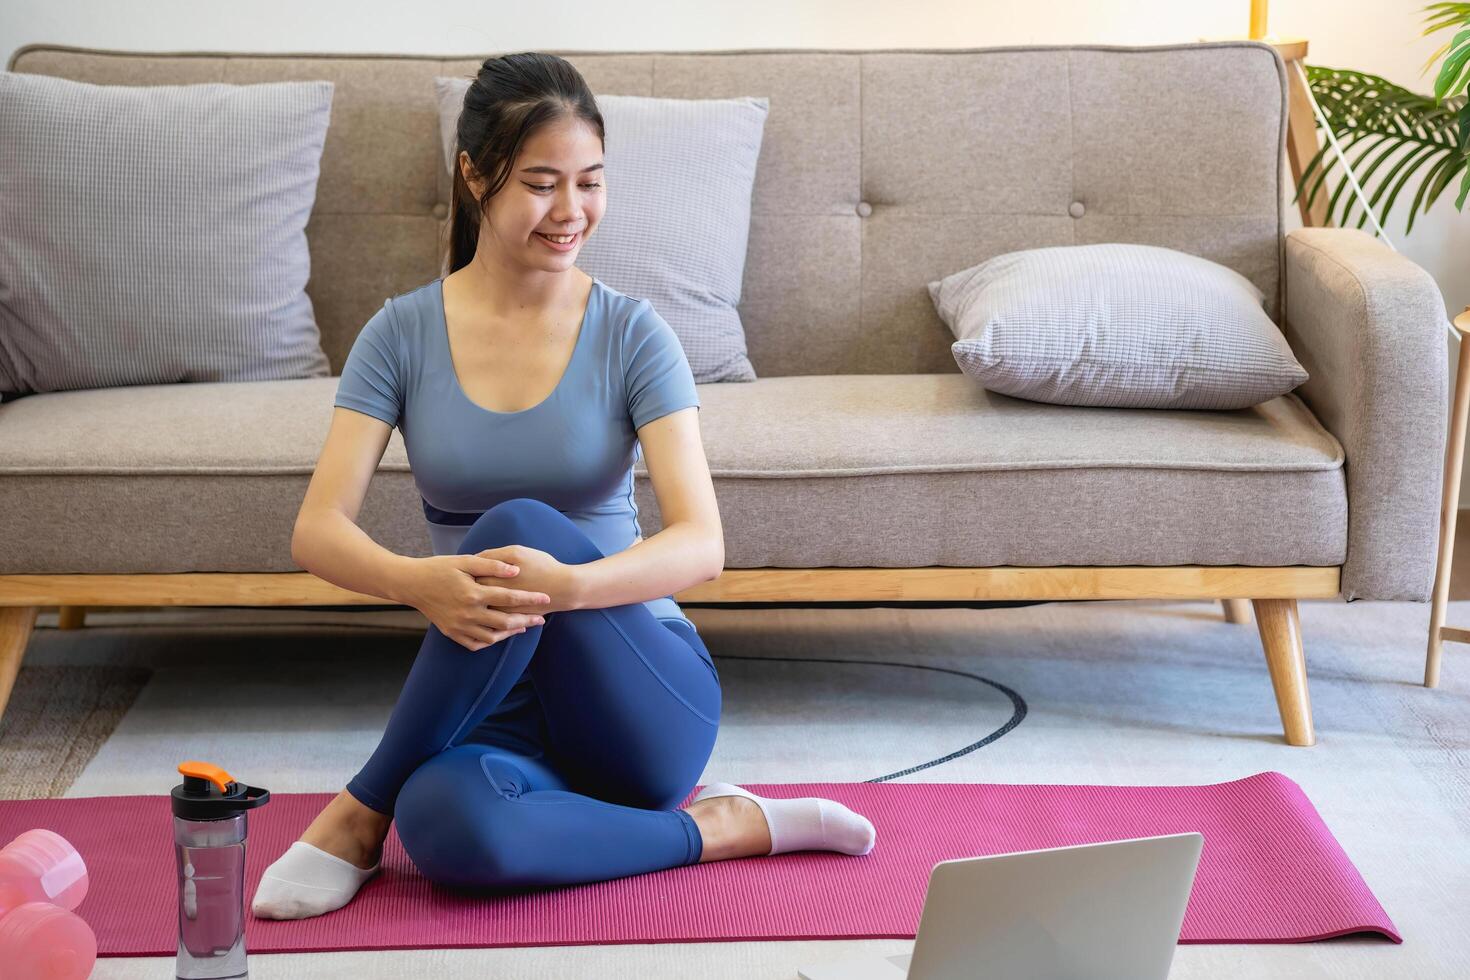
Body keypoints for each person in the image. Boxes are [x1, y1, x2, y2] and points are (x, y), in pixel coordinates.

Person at [251, 52, 876, 921]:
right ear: (473, 177)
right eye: (542, 183)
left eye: (590, 181)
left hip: (639, 697)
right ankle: (722, 829)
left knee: (514, 526)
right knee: (444, 828)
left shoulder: (632, 332)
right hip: (494, 710)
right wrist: (415, 581)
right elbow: (317, 529)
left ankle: (359, 811)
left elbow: (702, 542)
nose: (571, 211)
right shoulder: (401, 333)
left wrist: (573, 589)